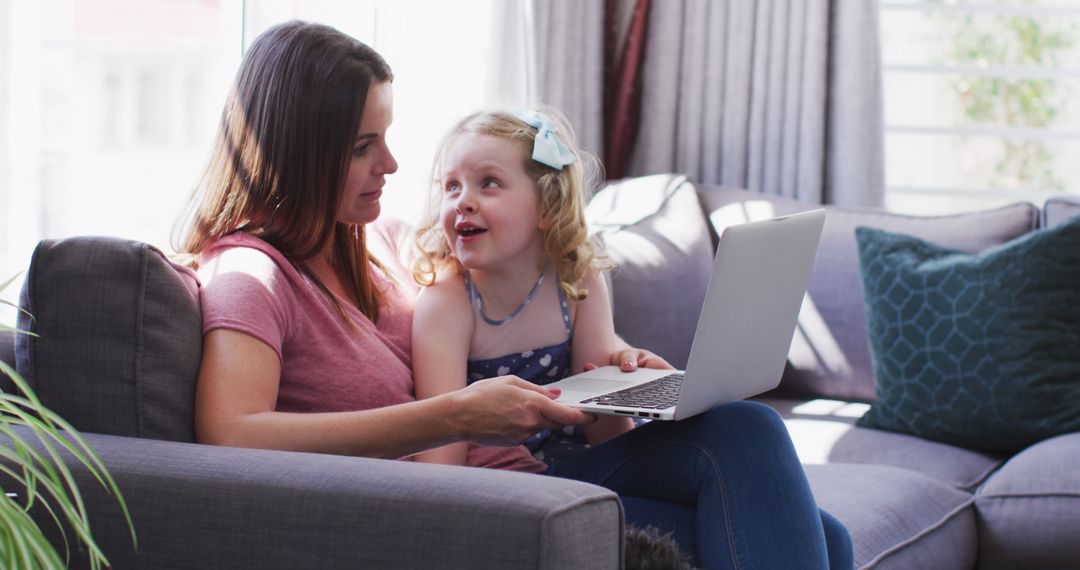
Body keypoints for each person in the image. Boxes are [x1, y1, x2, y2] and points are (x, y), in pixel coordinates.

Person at [180, 20, 853, 569]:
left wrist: (614, 371)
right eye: (363, 146)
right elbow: (230, 433)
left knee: (810, 512)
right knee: (777, 486)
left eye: (384, 139)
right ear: (301, 153)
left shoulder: (371, 241)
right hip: (478, 502)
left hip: (533, 474)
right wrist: (454, 415)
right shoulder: (250, 274)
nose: (390, 165)